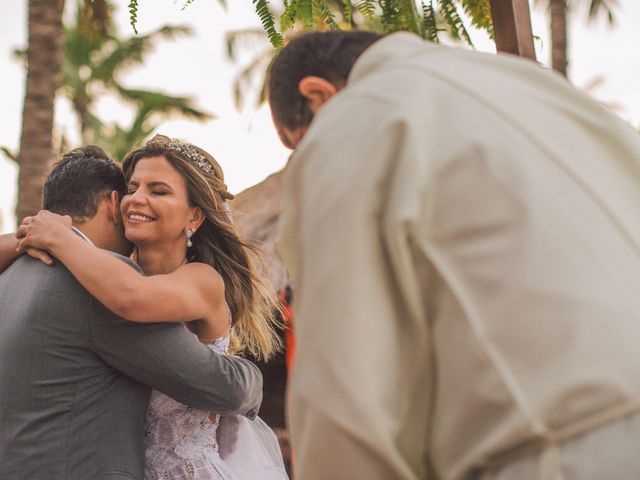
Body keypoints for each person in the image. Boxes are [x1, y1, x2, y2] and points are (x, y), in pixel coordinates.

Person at [267, 30, 640, 479]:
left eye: (298, 144)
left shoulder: (356, 115)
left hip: (562, 449)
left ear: (317, 95)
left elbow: (345, 391)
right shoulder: (540, 90)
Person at [17, 136, 288, 479]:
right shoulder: (107, 274)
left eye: (158, 191)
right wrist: (27, 234)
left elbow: (133, 298)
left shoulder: (202, 279)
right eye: (132, 187)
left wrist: (60, 236)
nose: (136, 199)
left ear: (195, 216)